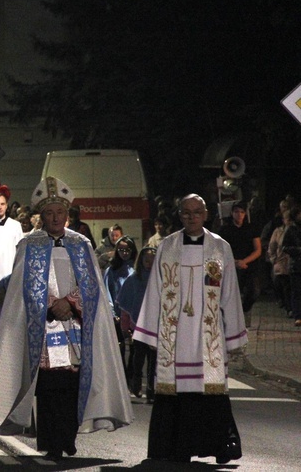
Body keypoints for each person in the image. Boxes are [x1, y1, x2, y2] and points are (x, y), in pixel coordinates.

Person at [0, 176, 132, 462]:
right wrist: (50, 304)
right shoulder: (28, 245)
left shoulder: (81, 244)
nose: (55, 217)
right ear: (41, 216)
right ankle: (52, 442)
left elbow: (92, 285)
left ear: (66, 215)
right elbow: (21, 288)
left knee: (71, 386)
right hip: (44, 326)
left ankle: (67, 436)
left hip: (74, 326)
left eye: (60, 212)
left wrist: (70, 303)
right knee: (47, 388)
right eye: (49, 213)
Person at [133, 193, 247, 464]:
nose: (191, 217)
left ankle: (218, 445)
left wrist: (233, 336)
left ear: (205, 214)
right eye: (186, 213)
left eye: (197, 212)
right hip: (175, 333)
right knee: (175, 391)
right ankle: (174, 448)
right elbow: (156, 291)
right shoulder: (168, 246)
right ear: (180, 215)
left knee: (210, 389)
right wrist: (149, 332)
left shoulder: (221, 248)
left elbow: (230, 293)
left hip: (209, 333)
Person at [116, 246, 157, 402]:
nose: (149, 264)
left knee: (153, 361)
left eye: (153, 261)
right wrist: (125, 327)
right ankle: (136, 385)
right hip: (137, 327)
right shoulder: (133, 279)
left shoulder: (161, 280)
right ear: (141, 261)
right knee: (138, 359)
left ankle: (151, 391)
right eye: (146, 260)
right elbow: (126, 307)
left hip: (155, 327)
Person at [217, 200, 262, 326]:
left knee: (254, 291)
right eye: (236, 212)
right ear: (232, 213)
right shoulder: (225, 230)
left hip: (249, 265)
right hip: (231, 265)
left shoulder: (251, 228)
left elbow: (257, 249)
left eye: (242, 212)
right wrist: (235, 261)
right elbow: (220, 249)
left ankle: (243, 311)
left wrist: (244, 261)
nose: (239, 215)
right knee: (231, 294)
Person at [103, 235, 138, 369]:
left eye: (127, 250)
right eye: (121, 250)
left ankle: (132, 375)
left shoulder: (135, 270)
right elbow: (107, 293)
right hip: (117, 316)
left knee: (135, 349)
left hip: (133, 316)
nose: (124, 253)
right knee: (119, 348)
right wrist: (112, 314)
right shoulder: (111, 271)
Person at [268, 210, 292, 318]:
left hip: (294, 263)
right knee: (284, 286)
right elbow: (272, 246)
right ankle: (288, 307)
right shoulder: (278, 232)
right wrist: (274, 259)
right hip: (282, 264)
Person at [281, 206, 301, 327]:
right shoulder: (291, 230)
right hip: (297, 265)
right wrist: (298, 250)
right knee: (297, 291)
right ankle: (298, 315)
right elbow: (285, 247)